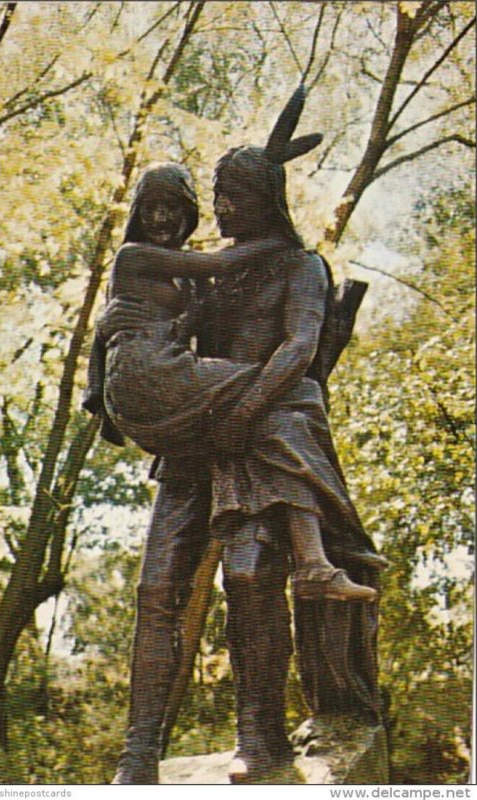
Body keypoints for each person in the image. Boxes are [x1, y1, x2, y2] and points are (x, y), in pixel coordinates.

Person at [91, 86, 386, 785]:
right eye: (216, 196)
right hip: (193, 448)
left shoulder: (301, 267)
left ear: (262, 199)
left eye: (230, 197)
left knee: (251, 577)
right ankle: (138, 753)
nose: (219, 211)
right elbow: (158, 337)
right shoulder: (203, 280)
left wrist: (246, 411)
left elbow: (301, 348)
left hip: (255, 440)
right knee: (156, 587)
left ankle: (261, 734)